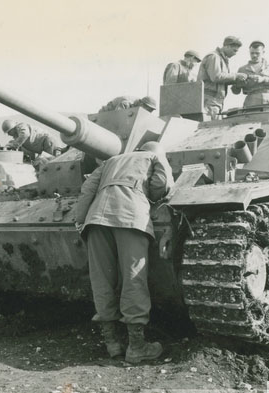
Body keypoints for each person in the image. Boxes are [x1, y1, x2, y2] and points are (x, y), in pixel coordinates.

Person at [75, 141, 173, 363]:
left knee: (101, 280)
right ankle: (137, 347)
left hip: (96, 220)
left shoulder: (111, 160)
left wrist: (80, 219)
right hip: (130, 217)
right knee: (133, 279)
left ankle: (112, 344)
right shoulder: (154, 157)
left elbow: (88, 189)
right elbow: (162, 183)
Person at [197, 36, 248, 119]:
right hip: (209, 100)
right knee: (209, 126)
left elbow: (221, 79)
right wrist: (236, 76)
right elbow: (216, 77)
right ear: (227, 46)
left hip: (215, 101)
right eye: (234, 50)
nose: (235, 53)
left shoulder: (222, 59)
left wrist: (236, 80)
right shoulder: (214, 57)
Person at [231, 41, 269, 107]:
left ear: (263, 52)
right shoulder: (242, 69)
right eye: (252, 53)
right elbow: (235, 91)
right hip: (251, 101)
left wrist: (264, 79)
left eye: (257, 53)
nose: (254, 55)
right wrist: (238, 84)